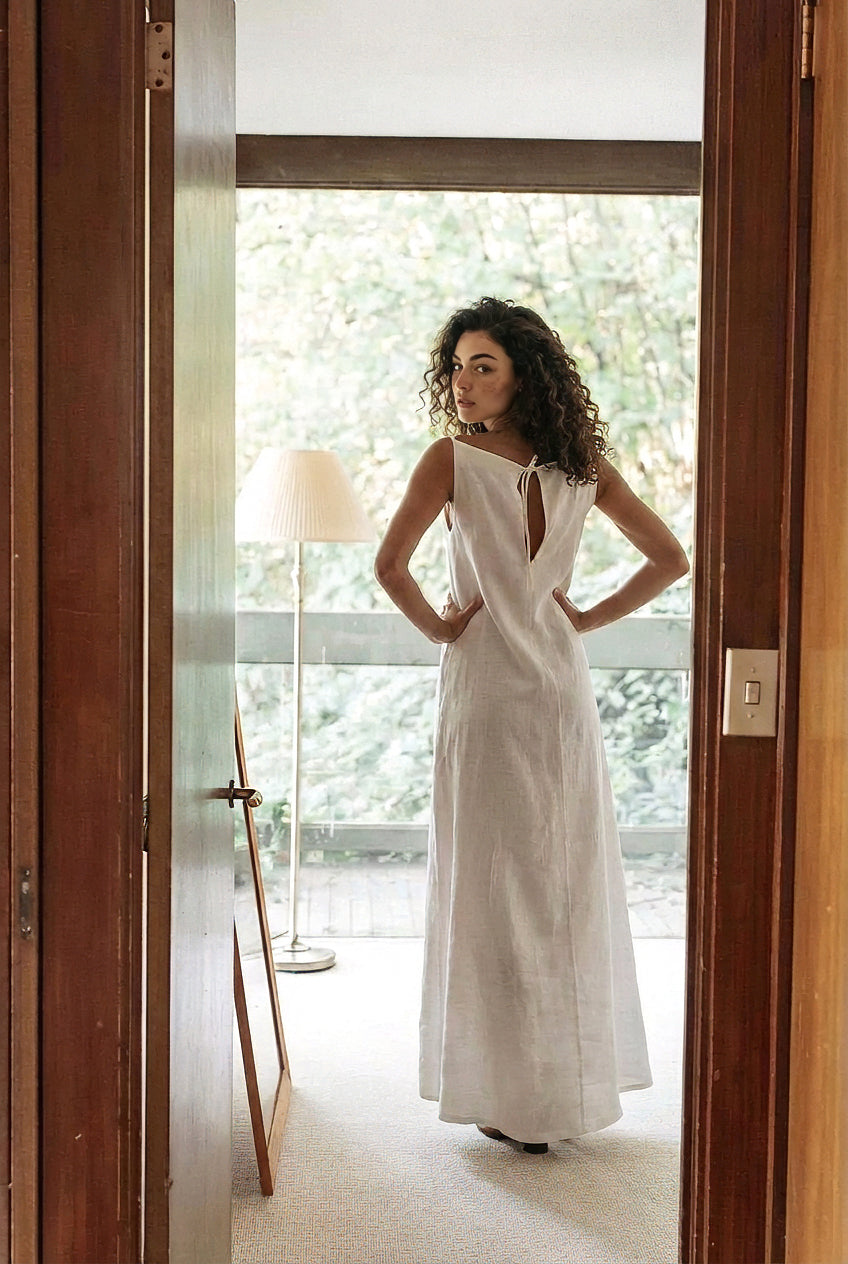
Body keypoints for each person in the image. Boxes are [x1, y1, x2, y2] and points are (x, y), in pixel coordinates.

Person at [374, 296, 689, 1155]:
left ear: (522, 375)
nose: (463, 383)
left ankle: (506, 1091)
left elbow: (388, 567)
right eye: (458, 366)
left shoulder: (450, 460)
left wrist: (443, 627)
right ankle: (554, 1088)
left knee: (492, 885)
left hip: (487, 689)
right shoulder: (582, 466)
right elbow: (670, 559)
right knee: (559, 880)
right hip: (557, 687)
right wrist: (581, 619)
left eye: (484, 366)